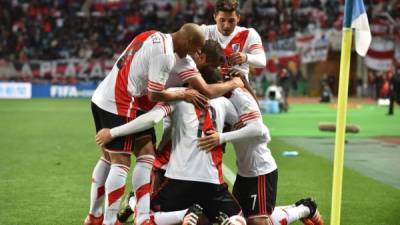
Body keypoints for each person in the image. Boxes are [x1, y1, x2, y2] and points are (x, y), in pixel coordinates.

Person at [86, 23, 208, 225]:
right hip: (119, 102)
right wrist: (182, 93)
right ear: (187, 41)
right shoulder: (168, 56)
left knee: (142, 154)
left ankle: (128, 216)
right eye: (195, 49)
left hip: (109, 95)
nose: (195, 54)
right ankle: (108, 221)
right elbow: (154, 97)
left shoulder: (152, 35)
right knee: (121, 162)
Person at [95, 79, 247, 225]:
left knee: (149, 213)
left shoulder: (177, 92)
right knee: (233, 217)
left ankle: (135, 202)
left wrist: (113, 132)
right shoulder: (213, 101)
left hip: (175, 172)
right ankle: (136, 202)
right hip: (176, 167)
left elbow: (152, 118)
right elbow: (249, 125)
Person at [198, 75, 324, 225]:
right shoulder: (224, 100)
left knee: (256, 222)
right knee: (242, 218)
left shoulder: (238, 96)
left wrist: (221, 137)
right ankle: (300, 207)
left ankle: (305, 208)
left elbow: (259, 128)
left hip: (261, 170)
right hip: (244, 171)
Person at [201, 0, 266, 80]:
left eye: (231, 20)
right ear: (215, 17)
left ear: (238, 18)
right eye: (222, 20)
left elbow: (262, 61)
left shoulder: (249, 34)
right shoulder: (204, 31)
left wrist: (246, 57)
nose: (226, 26)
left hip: (239, 87)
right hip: (210, 86)